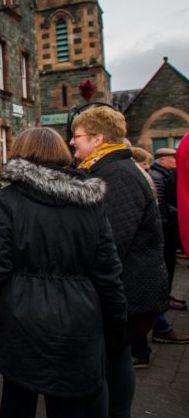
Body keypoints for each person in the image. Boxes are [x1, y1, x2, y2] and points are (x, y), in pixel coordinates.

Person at [0, 127, 126, 418]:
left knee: (17, 398)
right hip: (78, 314)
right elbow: (107, 269)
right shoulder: (90, 198)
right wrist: (117, 322)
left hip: (21, 313)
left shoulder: (11, 197)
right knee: (69, 403)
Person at [69, 106, 168, 417]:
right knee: (115, 357)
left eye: (78, 136)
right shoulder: (109, 169)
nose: (72, 142)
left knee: (114, 360)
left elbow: (109, 243)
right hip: (127, 292)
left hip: (128, 293)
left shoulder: (115, 175)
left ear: (98, 139)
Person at [148, 148, 188, 314]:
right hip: (165, 229)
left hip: (167, 228)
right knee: (165, 265)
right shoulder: (158, 176)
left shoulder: (164, 174)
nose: (175, 160)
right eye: (172, 158)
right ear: (162, 159)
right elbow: (161, 205)